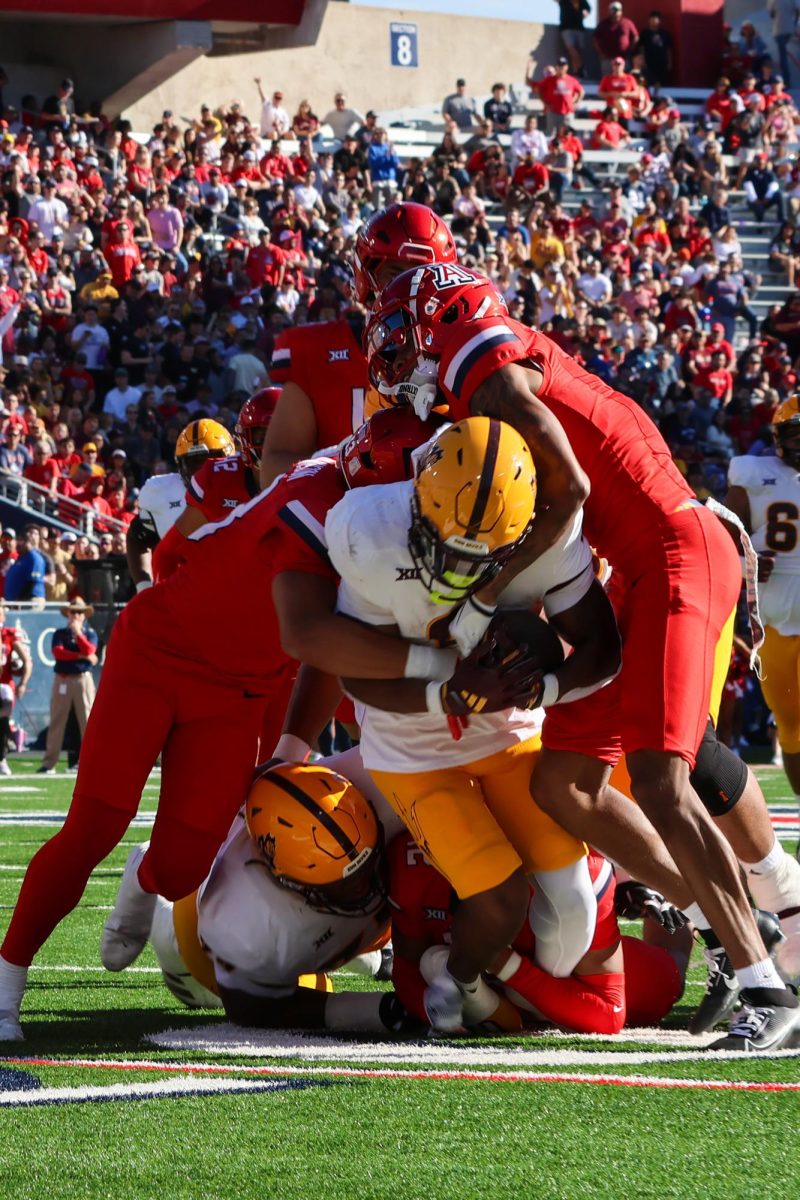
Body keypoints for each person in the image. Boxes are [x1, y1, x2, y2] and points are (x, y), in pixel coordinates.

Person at [364, 263, 800, 1051]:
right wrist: (550, 676)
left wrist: (482, 599)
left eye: (403, 331)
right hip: (642, 568)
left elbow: (565, 489)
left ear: (441, 318)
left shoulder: (483, 362)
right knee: (565, 782)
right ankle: (734, 922)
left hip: (672, 552)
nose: (397, 355)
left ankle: (767, 985)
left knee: (665, 777)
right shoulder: (506, 360)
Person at [0, 413, 441, 1041]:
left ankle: (142, 875)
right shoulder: (318, 502)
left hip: (238, 691)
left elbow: (327, 649)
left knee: (181, 870)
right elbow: (306, 632)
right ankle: (7, 982)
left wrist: (290, 743)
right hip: (159, 653)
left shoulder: (351, 504)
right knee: (94, 824)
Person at [326, 417, 622, 1029]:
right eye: (446, 548)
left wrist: (543, 685)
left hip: (510, 734)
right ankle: (460, 980)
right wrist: (451, 693)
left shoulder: (549, 534)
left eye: (478, 560)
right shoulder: (369, 530)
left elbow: (602, 649)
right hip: (411, 750)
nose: (457, 575)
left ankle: (504, 984)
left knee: (572, 912)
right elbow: (355, 678)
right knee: (501, 897)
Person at [109, 757, 414, 1033]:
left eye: (368, 864)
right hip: (197, 930)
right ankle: (148, 873)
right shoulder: (245, 923)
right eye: (345, 885)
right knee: (200, 986)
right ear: (289, 882)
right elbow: (251, 1007)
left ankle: (360, 946)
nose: (365, 886)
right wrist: (373, 1011)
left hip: (323, 924)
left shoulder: (386, 779)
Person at [389, 833, 688, 1034]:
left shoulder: (580, 879)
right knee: (432, 963)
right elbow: (407, 973)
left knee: (668, 979)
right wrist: (440, 1011)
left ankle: (698, 906)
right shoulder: (413, 865)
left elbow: (608, 1013)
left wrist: (508, 967)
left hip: (572, 974)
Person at [260, 203, 457, 486]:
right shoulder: (315, 350)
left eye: (422, 275)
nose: (409, 288)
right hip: (338, 519)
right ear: (366, 276)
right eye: (396, 274)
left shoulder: (462, 350)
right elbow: (276, 464)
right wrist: (348, 481)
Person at [125, 418, 235, 590]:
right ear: (181, 465)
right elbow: (136, 538)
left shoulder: (248, 487)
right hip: (184, 598)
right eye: (194, 463)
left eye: (211, 461)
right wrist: (144, 588)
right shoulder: (162, 492)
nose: (203, 471)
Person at [37, 598, 98, 776]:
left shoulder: (89, 633)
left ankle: (90, 762)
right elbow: (58, 653)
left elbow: (90, 650)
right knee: (57, 720)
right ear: (68, 614)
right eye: (73, 612)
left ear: (84, 616)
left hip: (82, 679)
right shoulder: (60, 634)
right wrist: (81, 655)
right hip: (62, 679)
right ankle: (49, 763)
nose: (76, 616)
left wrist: (79, 635)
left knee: (87, 720)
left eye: (79, 612)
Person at [0, 598, 31, 777]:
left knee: (2, 722)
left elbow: (27, 660)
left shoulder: (9, 634)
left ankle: (2, 756)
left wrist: (23, 682)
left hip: (4, 685)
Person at [593, 1, 640, 75]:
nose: (615, 12)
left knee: (624, 80)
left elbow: (636, 37)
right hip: (608, 59)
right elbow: (595, 39)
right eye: (613, 10)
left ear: (621, 11)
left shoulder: (627, 23)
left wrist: (630, 50)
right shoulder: (603, 24)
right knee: (607, 80)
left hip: (624, 59)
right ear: (609, 11)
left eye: (617, 10)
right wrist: (600, 53)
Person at [3, 526, 47, 602]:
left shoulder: (34, 558)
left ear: (29, 543)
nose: (19, 545)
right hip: (14, 601)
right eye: (18, 541)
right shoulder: (22, 558)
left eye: (22, 542)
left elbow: (31, 583)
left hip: (30, 600)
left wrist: (20, 600)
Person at [636, 11, 674, 87]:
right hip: (649, 62)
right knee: (649, 81)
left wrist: (670, 62)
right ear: (649, 20)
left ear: (659, 21)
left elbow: (668, 49)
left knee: (662, 83)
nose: (654, 21)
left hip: (662, 63)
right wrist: (643, 61)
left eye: (656, 19)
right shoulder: (645, 33)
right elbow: (641, 48)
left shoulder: (664, 33)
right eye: (652, 19)